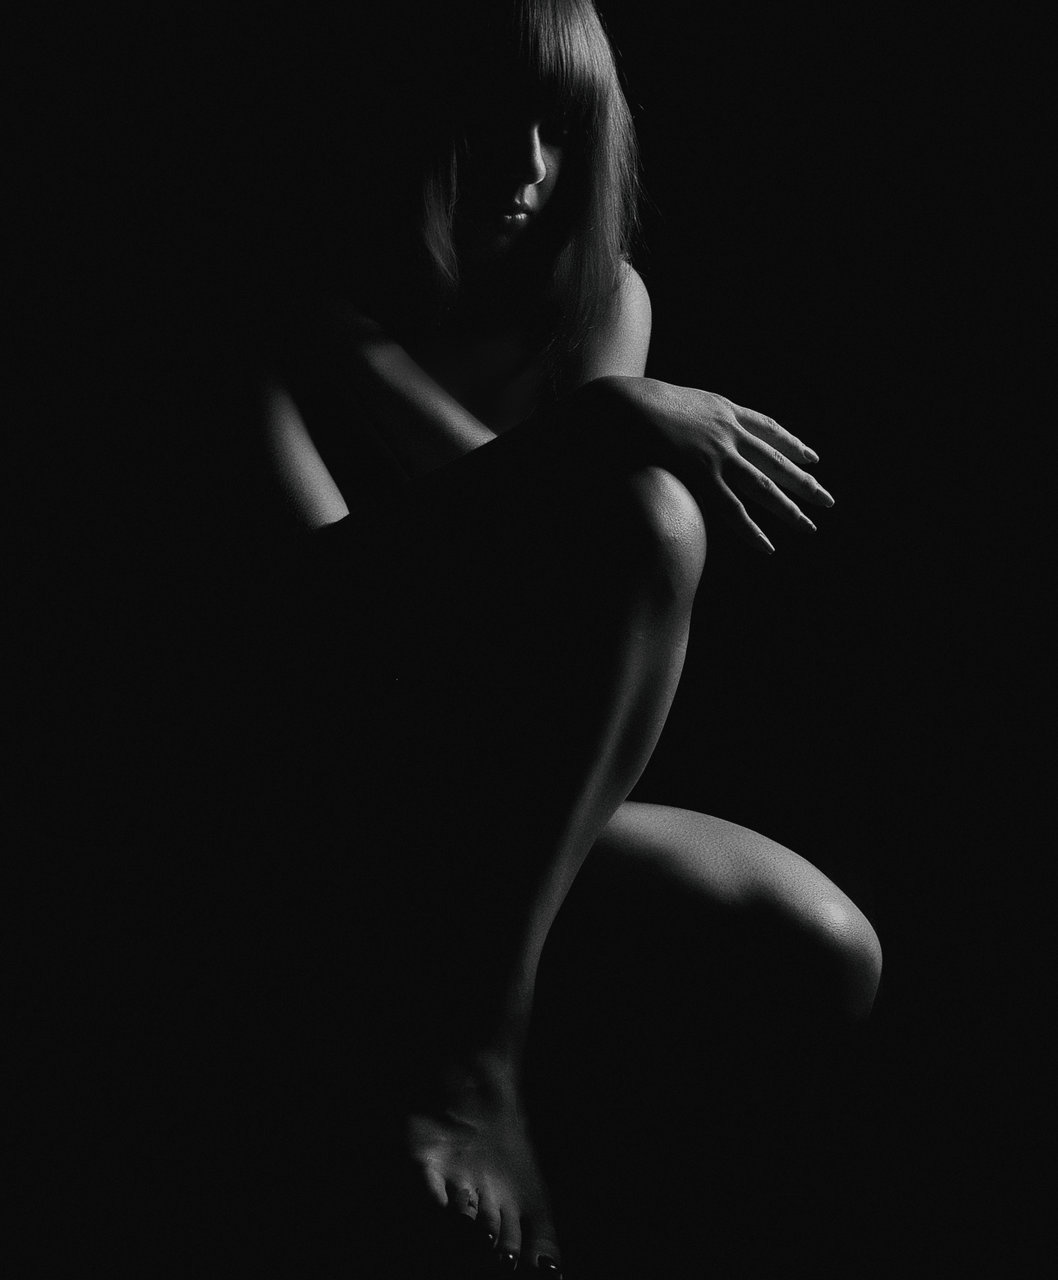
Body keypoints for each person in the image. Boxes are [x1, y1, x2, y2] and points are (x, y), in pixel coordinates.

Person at [246, 1, 883, 1273]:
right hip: (334, 781)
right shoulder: (270, 318)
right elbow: (313, 611)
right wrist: (572, 429)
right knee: (653, 514)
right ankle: (472, 1058)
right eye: (485, 121)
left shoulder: (593, 303)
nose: (527, 166)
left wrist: (399, 383)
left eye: (556, 125)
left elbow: (549, 572)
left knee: (831, 947)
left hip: (517, 796)